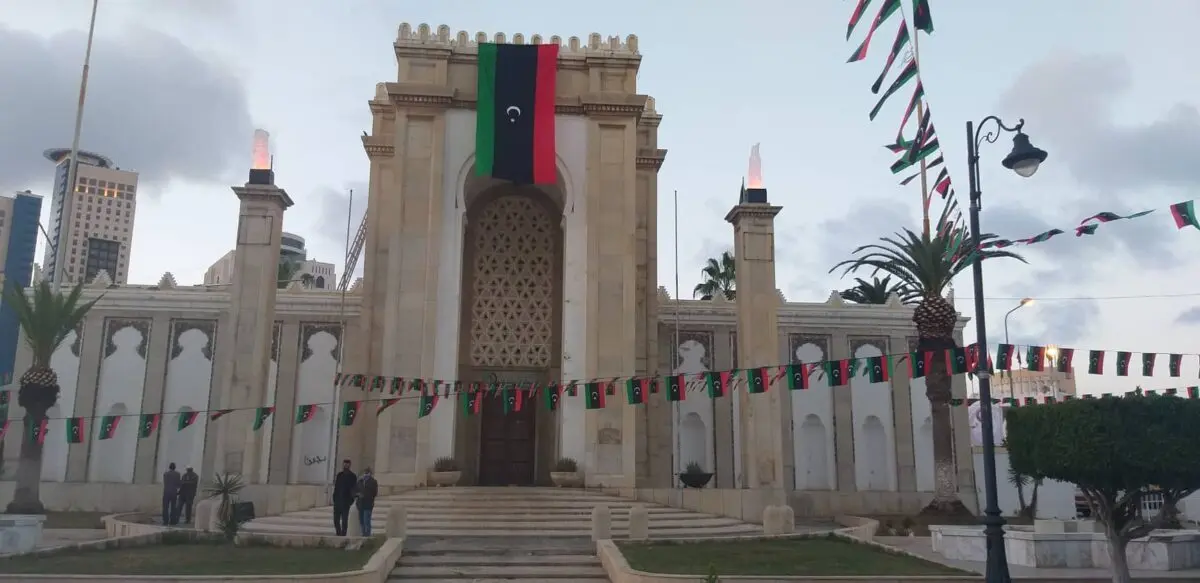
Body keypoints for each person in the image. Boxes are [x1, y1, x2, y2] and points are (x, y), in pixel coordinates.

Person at [332, 459, 357, 536]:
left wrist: (351, 500)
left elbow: (353, 488)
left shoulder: (352, 476)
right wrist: (334, 497)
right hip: (337, 501)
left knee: (344, 520)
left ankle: (343, 534)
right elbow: (336, 487)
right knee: (336, 519)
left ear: (349, 465)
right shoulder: (339, 475)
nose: (345, 465)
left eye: (347, 464)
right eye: (344, 464)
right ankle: (338, 533)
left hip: (346, 501)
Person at [355, 467, 379, 536]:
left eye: (367, 473)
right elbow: (355, 491)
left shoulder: (373, 482)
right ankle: (363, 534)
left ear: (370, 473)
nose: (365, 474)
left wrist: (365, 495)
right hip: (360, 504)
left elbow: (374, 493)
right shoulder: (360, 481)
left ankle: (367, 535)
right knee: (361, 521)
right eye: (365, 473)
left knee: (366, 521)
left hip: (368, 504)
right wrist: (357, 494)